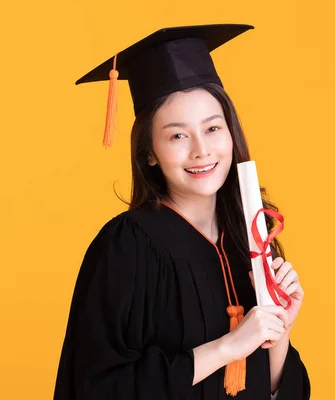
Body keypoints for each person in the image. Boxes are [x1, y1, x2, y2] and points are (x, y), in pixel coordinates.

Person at [53, 24, 310, 399]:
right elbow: (99, 387)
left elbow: (271, 391)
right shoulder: (127, 246)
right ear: (150, 152)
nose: (201, 151)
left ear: (231, 133)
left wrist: (279, 327)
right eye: (177, 135)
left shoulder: (250, 237)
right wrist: (227, 347)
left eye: (212, 128)